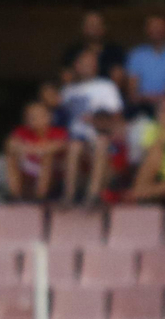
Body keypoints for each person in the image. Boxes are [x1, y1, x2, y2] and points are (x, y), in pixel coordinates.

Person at [58, 49, 125, 203]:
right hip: (73, 146)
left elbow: (116, 119)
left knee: (100, 142)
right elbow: (58, 120)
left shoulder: (106, 86)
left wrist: (96, 120)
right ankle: (68, 197)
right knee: (74, 146)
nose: (89, 66)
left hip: (101, 145)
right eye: (85, 63)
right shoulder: (67, 91)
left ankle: (93, 197)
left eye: (92, 63)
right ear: (77, 65)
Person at [6, 100, 68, 202]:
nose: (33, 119)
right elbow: (11, 145)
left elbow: (57, 146)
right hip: (30, 173)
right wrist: (37, 149)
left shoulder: (58, 132)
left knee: (48, 157)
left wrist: (29, 149)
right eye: (30, 116)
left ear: (48, 117)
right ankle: (15, 195)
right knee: (11, 157)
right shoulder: (21, 132)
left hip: (54, 175)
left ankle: (40, 196)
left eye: (37, 115)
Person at [126, 15, 165, 114]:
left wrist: (159, 99)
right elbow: (132, 90)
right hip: (141, 104)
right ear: (146, 30)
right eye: (153, 27)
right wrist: (146, 99)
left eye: (160, 27)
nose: (156, 30)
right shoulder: (136, 54)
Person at [61, 8, 126, 85]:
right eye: (90, 24)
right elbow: (66, 77)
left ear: (104, 27)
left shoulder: (115, 51)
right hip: (80, 89)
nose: (93, 28)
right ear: (82, 27)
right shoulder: (73, 51)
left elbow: (120, 77)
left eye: (96, 24)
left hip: (106, 90)